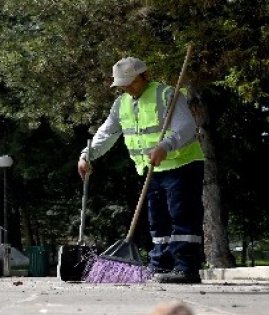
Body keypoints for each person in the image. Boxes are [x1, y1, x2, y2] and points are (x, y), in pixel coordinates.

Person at [77, 56, 204, 284]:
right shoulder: (121, 104)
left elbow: (186, 126)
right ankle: (161, 265)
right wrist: (87, 154)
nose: (126, 87)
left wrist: (165, 146)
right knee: (158, 221)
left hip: (182, 164)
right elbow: (106, 134)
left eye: (130, 82)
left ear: (144, 75)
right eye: (122, 84)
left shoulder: (166, 94)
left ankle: (186, 268)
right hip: (151, 170)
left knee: (182, 217)